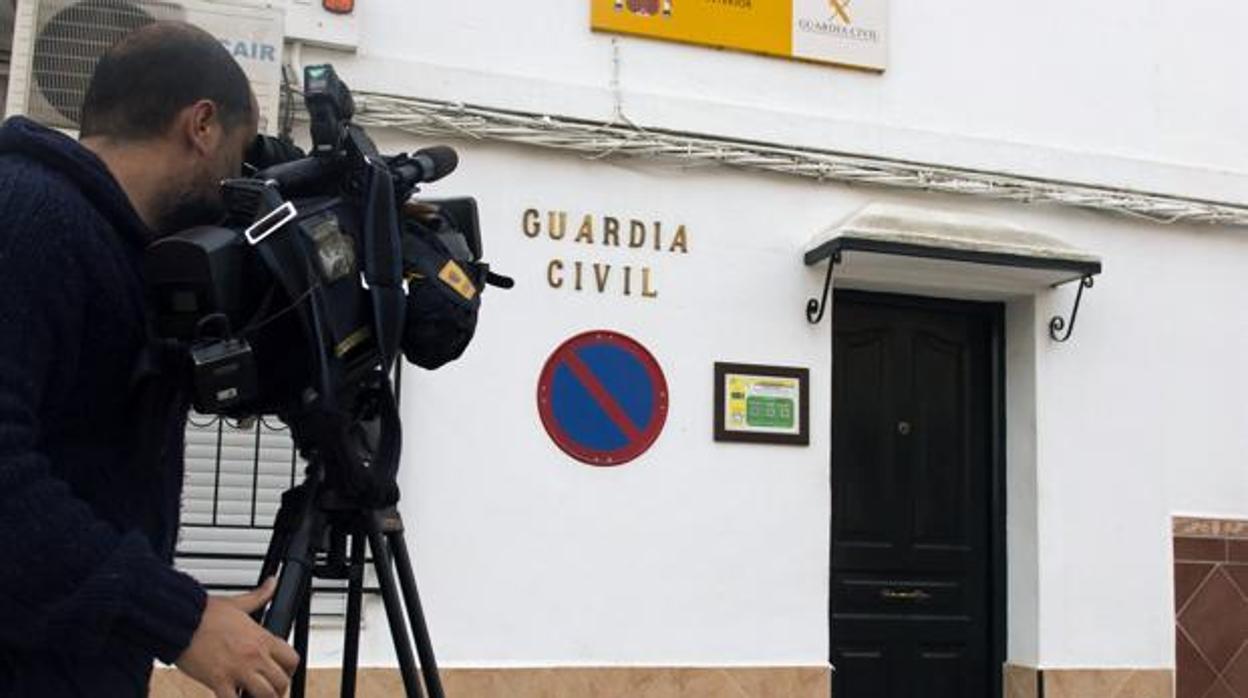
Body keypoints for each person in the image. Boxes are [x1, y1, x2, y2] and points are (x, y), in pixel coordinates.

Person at [0, 21, 299, 698]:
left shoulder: (117, 247)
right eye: (241, 154)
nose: (236, 183)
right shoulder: (27, 216)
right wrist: (180, 618)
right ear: (201, 125)